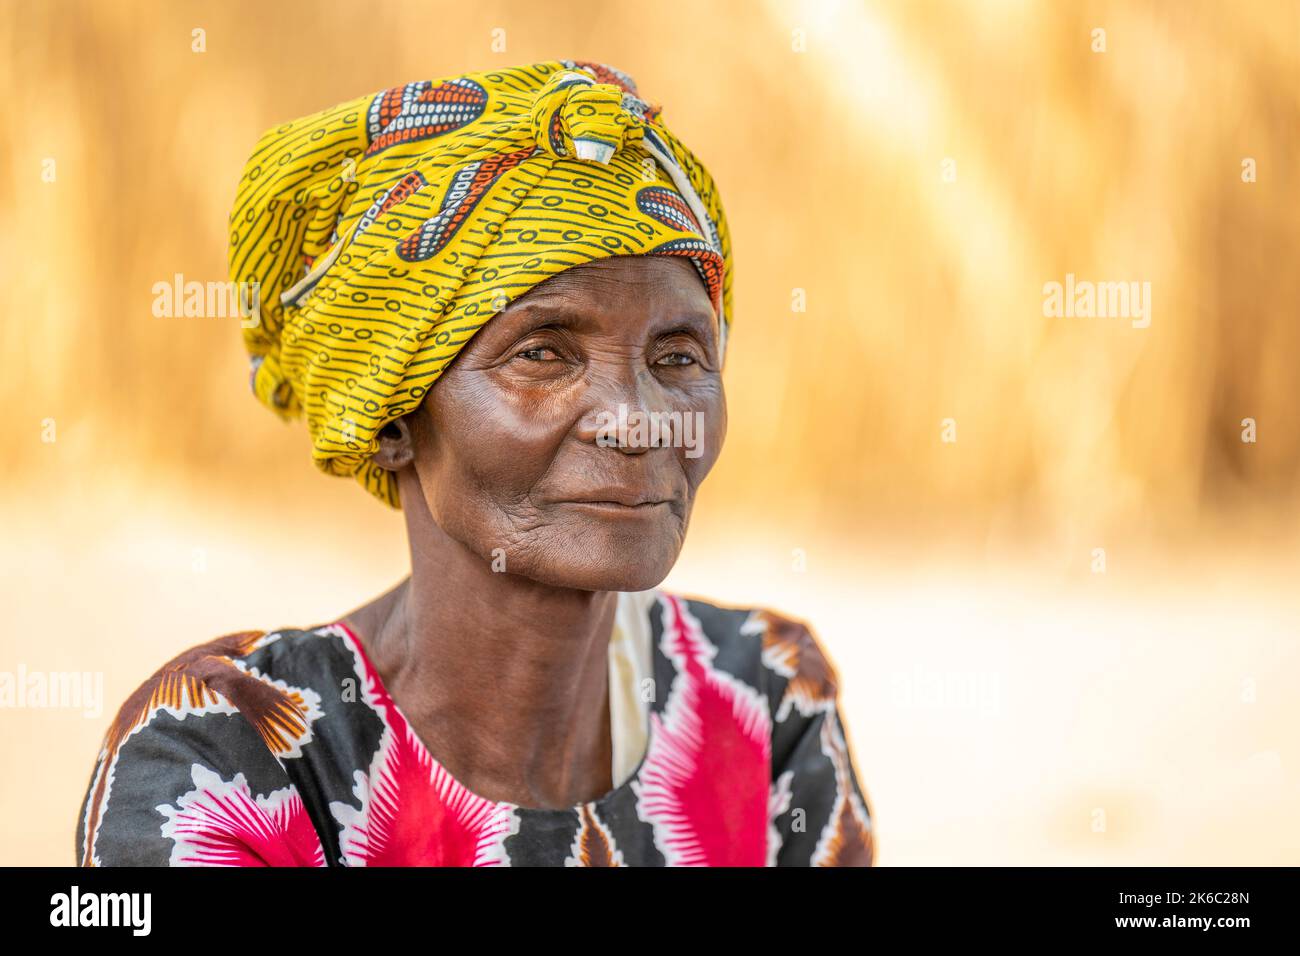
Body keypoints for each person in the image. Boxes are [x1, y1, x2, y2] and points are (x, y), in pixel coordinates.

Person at [74, 59, 874, 866]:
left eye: (676, 357)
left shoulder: (765, 700)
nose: (639, 422)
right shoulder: (226, 760)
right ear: (391, 420)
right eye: (542, 353)